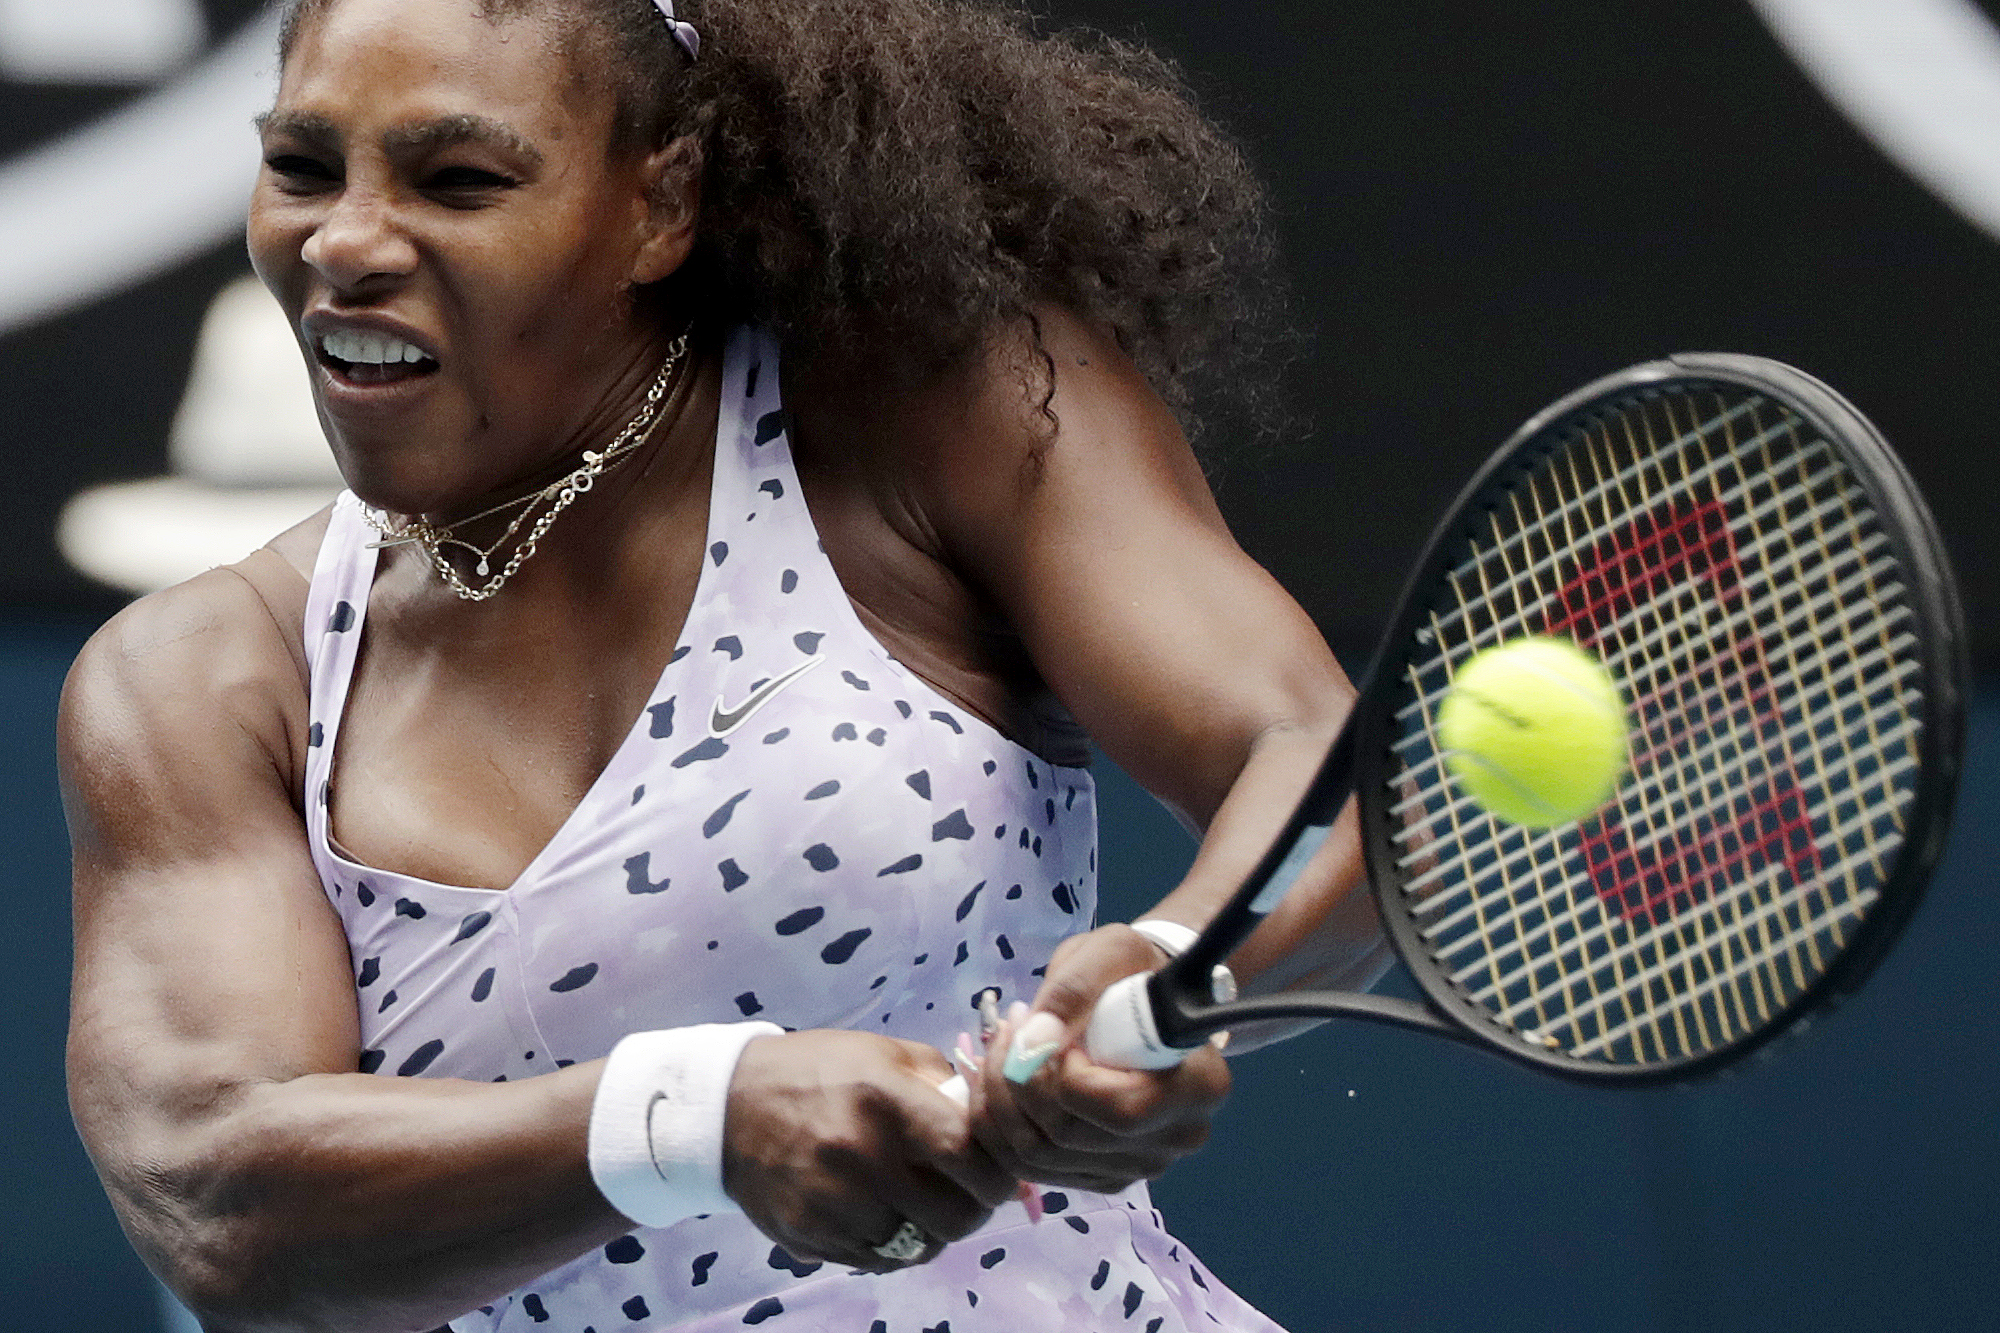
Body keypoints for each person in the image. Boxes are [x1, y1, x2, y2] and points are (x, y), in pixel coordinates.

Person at [58, 0, 1389, 1329]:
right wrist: (698, 1116)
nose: (343, 242)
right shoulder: (203, 681)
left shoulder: (929, 419)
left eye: (458, 180)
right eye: (302, 167)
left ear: (662, 204)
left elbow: (1315, 767)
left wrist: (1174, 968)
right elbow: (220, 1198)